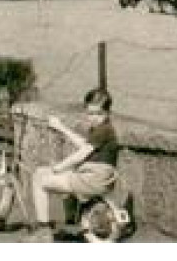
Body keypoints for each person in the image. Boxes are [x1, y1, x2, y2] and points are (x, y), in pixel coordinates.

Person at [27, 88, 121, 241]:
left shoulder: (103, 130)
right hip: (96, 177)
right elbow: (84, 144)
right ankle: (70, 220)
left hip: (93, 178)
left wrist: (59, 167)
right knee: (41, 171)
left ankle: (43, 231)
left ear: (107, 113)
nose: (94, 117)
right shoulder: (103, 129)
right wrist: (61, 127)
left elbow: (82, 154)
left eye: (98, 113)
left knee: (39, 180)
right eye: (90, 113)